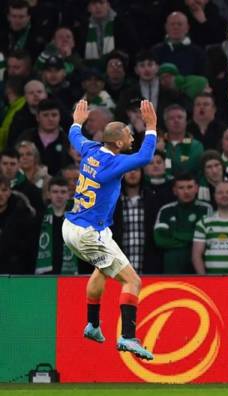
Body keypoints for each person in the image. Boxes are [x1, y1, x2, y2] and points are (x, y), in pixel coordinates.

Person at [61, 99, 157, 360]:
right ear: (117, 143)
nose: (132, 139)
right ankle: (127, 336)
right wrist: (151, 127)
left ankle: (92, 324)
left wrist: (76, 122)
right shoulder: (113, 163)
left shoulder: (90, 149)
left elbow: (74, 136)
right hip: (88, 233)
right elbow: (146, 156)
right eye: (128, 135)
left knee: (102, 269)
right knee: (132, 281)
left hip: (73, 226)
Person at [35, 176, 79, 275]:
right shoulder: (39, 218)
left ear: (68, 195)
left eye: (63, 192)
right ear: (49, 194)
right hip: (45, 272)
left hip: (70, 272)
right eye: (55, 192)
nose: (59, 196)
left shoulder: (76, 219)